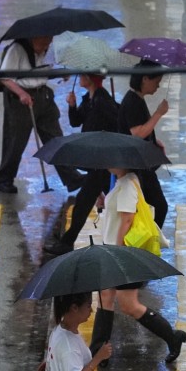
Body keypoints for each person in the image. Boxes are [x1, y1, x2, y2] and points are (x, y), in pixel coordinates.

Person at [89, 167, 186, 364]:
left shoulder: (126, 184)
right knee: (105, 296)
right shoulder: (123, 180)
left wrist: (117, 252)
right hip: (115, 250)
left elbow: (127, 220)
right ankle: (99, 352)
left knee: (129, 305)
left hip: (122, 253)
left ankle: (172, 337)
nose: (107, 163)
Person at [44, 74, 119, 255]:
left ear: (90, 79)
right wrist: (72, 106)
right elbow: (76, 121)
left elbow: (112, 124)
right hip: (95, 161)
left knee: (87, 202)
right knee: (91, 201)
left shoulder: (103, 101)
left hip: (102, 161)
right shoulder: (90, 99)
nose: (81, 78)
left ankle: (67, 242)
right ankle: (67, 241)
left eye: (84, 75)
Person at [0, 36, 80, 194]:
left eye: (48, 41)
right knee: (15, 142)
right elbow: (4, 77)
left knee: (55, 138)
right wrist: (21, 94)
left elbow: (43, 72)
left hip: (43, 96)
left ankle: (71, 178)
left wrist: (61, 73)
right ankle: (4, 179)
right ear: (33, 38)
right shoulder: (17, 49)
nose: (46, 45)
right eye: (43, 42)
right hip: (20, 99)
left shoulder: (49, 48)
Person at [118, 61, 170, 228]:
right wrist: (159, 113)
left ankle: (146, 245)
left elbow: (141, 129)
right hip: (136, 167)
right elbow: (138, 133)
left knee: (152, 207)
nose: (158, 86)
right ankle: (147, 246)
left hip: (140, 165)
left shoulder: (137, 99)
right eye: (156, 82)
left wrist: (154, 141)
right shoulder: (133, 101)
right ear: (145, 79)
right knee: (159, 207)